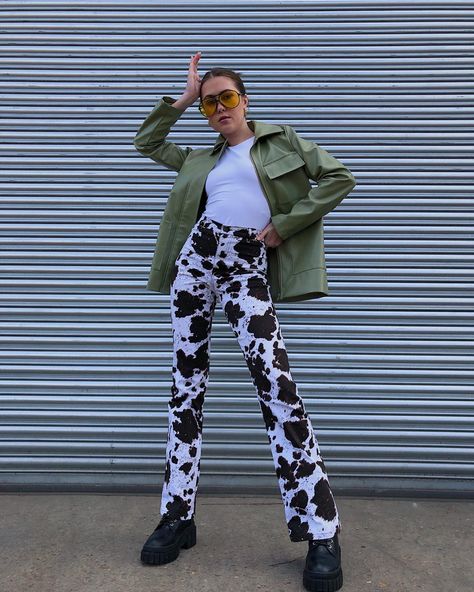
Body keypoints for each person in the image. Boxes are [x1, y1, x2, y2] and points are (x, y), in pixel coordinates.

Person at [135, 51, 355, 592]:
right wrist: (181, 101)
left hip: (245, 267)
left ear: (245, 100)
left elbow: (338, 178)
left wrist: (286, 223)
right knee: (185, 388)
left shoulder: (282, 142)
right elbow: (146, 143)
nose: (218, 109)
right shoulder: (198, 160)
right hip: (196, 264)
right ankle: (176, 516)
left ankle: (320, 530)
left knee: (278, 387)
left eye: (225, 98)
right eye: (209, 103)